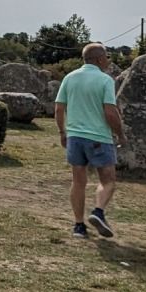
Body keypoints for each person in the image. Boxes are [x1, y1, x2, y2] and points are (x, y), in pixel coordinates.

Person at [54, 43, 127, 239]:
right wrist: (120, 134)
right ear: (99, 59)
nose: (108, 61)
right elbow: (110, 112)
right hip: (98, 137)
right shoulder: (105, 80)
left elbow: (59, 108)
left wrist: (62, 131)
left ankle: (78, 225)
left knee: (78, 181)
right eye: (107, 57)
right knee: (108, 180)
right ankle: (98, 211)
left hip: (75, 136)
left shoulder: (70, 78)